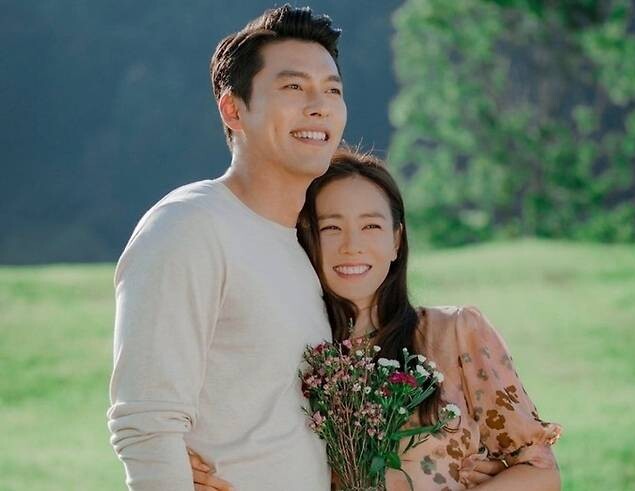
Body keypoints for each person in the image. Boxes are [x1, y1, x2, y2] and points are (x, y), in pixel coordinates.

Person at [194, 148, 562, 490]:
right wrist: (183, 465)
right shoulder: (291, 352)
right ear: (306, 239)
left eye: (371, 226)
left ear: (396, 241)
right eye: (331, 228)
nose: (352, 245)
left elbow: (540, 471)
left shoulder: (454, 333)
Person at [107, 5, 347, 491]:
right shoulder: (189, 226)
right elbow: (147, 423)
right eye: (293, 87)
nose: (319, 106)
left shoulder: (305, 244)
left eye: (333, 90)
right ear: (234, 110)